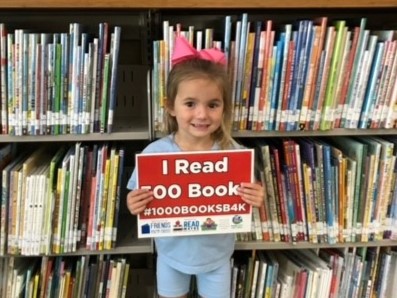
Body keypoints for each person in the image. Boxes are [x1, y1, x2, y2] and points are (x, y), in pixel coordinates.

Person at [126, 36, 264, 298]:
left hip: (217, 257)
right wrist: (134, 204)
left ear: (223, 109)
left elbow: (249, 193)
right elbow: (136, 199)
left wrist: (256, 196)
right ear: (171, 107)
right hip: (170, 254)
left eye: (213, 105)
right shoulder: (155, 153)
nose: (202, 115)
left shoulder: (233, 152)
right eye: (190, 104)